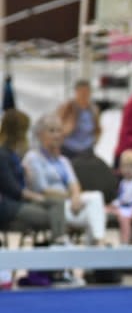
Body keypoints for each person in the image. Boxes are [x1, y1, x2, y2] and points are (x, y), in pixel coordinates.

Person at [23, 112, 107, 246]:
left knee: (95, 199)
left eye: (59, 131)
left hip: (69, 204)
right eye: (51, 131)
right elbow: (42, 189)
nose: (57, 135)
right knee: (90, 212)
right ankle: (97, 246)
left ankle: (98, 244)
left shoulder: (63, 161)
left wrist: (76, 196)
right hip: (49, 205)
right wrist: (70, 197)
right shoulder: (33, 158)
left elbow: (74, 183)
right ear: (40, 135)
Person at [0, 109, 68, 244]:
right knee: (51, 215)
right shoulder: (3, 155)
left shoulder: (14, 154)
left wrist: (25, 173)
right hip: (10, 206)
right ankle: (57, 243)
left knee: (58, 204)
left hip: (21, 201)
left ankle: (59, 241)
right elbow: (14, 189)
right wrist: (39, 198)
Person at [57, 79, 101, 160]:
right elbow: (57, 125)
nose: (84, 94)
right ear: (76, 92)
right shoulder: (67, 107)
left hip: (87, 148)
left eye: (87, 91)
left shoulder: (93, 109)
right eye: (81, 91)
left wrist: (95, 140)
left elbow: (97, 128)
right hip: (69, 148)